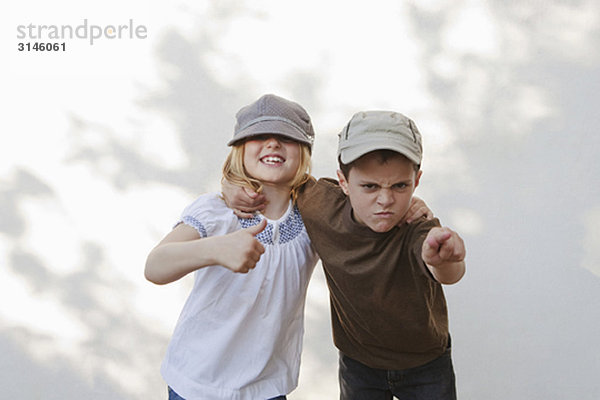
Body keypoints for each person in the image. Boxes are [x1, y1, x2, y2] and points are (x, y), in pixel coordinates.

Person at [224, 110, 466, 399]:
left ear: (417, 181)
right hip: (358, 363)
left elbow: (446, 272)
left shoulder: (418, 227)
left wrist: (446, 258)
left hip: (425, 363)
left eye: (400, 186)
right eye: (369, 186)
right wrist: (230, 184)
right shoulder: (320, 204)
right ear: (343, 182)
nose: (385, 200)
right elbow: (280, 178)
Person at [144, 94, 320, 400]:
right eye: (259, 136)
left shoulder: (314, 219)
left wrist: (415, 206)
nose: (273, 144)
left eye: (285, 137)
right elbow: (155, 266)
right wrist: (215, 249)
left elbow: (362, 199)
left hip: (268, 388)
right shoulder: (216, 210)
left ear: (304, 152)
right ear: (239, 150)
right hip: (196, 384)